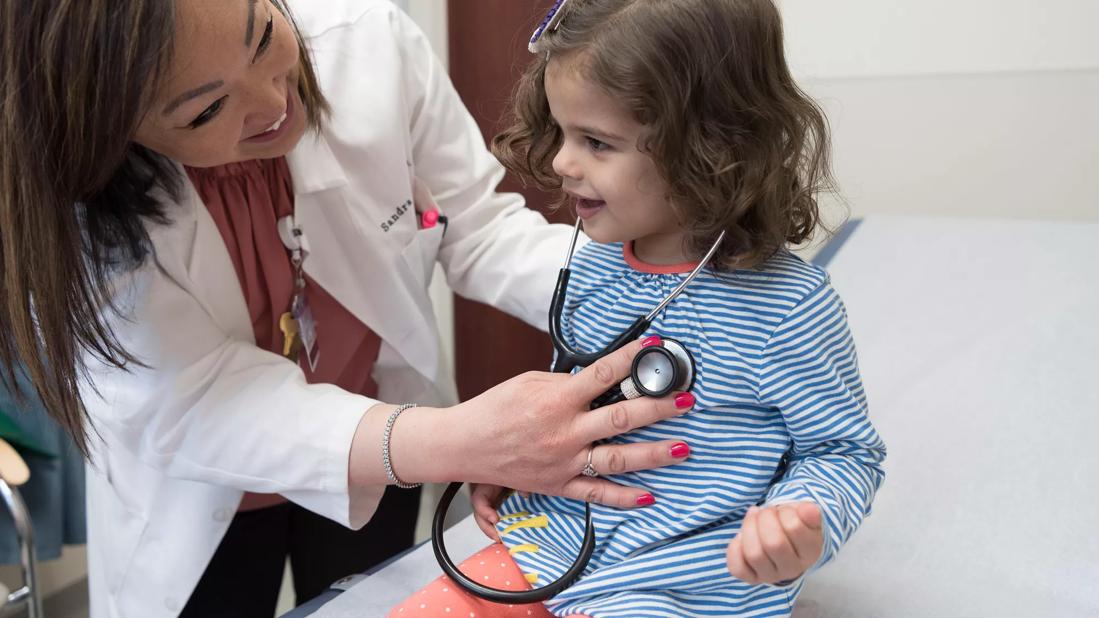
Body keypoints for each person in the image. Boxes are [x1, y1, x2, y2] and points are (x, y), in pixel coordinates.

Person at [0, 1, 699, 616]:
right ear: (117, 137)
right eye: (205, 109)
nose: (272, 102)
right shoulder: (82, 200)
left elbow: (477, 228)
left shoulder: (368, 43)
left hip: (385, 443)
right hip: (199, 492)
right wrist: (464, 440)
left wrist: (670, 280)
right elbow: (194, 397)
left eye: (260, 33)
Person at [393, 0, 887, 616]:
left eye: (597, 142)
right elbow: (571, 400)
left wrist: (798, 520)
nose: (560, 163)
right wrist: (520, 463)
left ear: (708, 146)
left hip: (685, 580)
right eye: (563, 132)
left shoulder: (787, 308)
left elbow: (842, 453)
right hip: (555, 546)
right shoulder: (594, 264)